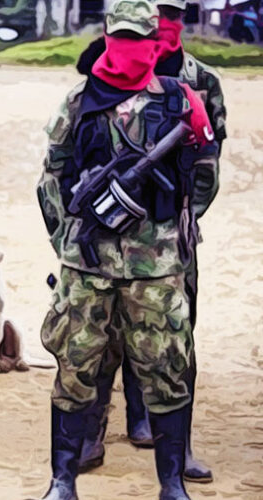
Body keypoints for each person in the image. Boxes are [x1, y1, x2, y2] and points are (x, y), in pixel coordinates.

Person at [35, 0, 218, 498]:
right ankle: (63, 480)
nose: (130, 48)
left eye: (141, 38)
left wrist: (174, 223)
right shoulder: (78, 101)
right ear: (108, 34)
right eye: (122, 37)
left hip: (155, 268)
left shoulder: (181, 99)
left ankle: (171, 484)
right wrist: (67, 239)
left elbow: (204, 171)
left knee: (166, 369)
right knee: (76, 366)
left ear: (154, 40)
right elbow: (51, 176)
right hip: (87, 265)